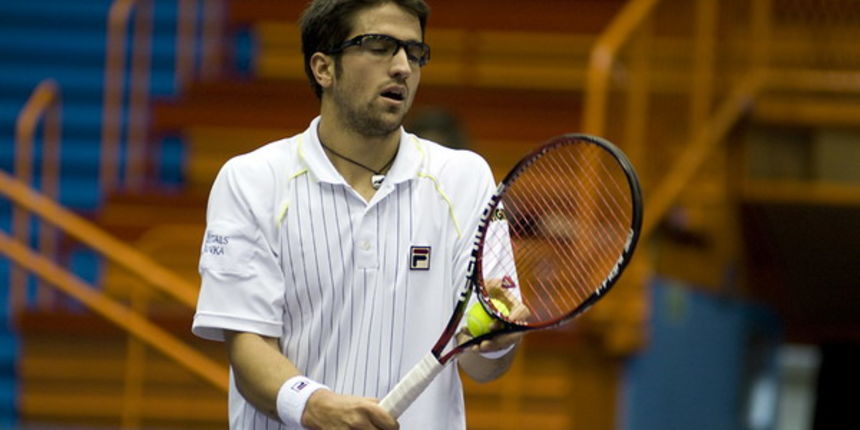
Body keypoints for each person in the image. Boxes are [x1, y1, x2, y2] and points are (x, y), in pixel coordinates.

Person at [192, 1, 525, 428]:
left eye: (414, 51)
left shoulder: (466, 179)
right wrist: (313, 405)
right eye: (380, 47)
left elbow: (483, 367)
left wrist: (495, 344)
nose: (403, 66)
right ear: (323, 68)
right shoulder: (251, 181)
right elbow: (248, 347)